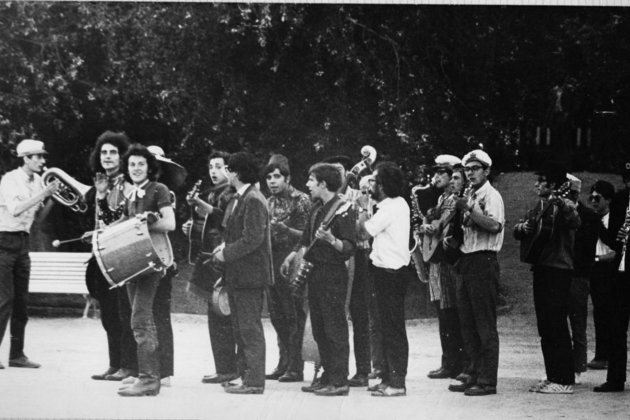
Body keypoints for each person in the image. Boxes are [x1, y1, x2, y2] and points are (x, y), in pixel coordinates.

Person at [281, 163, 356, 396]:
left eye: (312, 180)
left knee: (335, 327)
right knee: (320, 329)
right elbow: (305, 239)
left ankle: (339, 380)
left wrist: (332, 239)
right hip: (315, 272)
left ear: (323, 184)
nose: (307, 185)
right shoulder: (316, 208)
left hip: (332, 273)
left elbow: (349, 248)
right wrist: (292, 255)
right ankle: (327, 375)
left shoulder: (343, 208)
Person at [514, 161, 580, 395]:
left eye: (540, 181)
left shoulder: (565, 204)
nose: (536, 184)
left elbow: (575, 221)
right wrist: (523, 228)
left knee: (556, 324)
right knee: (545, 326)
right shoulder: (539, 205)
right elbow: (518, 228)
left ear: (553, 185)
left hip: (558, 269)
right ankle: (552, 375)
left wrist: (562, 203)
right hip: (542, 267)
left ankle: (564, 379)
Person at [116, 144, 176, 397]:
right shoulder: (132, 194)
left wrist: (144, 224)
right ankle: (144, 375)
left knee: (141, 319)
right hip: (134, 263)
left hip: (151, 263)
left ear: (149, 167)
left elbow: (170, 223)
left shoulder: (158, 189)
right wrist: (101, 232)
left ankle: (150, 379)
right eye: (132, 164)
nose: (136, 168)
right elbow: (126, 223)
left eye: (141, 164)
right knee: (137, 318)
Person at [213, 152, 273, 395]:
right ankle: (245, 376)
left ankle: (255, 382)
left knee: (249, 329)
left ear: (236, 173)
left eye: (228, 169)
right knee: (240, 328)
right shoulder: (242, 197)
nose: (226, 173)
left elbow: (253, 238)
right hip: (240, 275)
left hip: (250, 276)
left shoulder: (253, 199)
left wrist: (225, 254)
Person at [448, 149, 504, 397]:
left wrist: (470, 210)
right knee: (467, 322)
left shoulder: (491, 196)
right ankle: (473, 370)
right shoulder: (468, 194)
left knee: (484, 323)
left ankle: (487, 379)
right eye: (467, 169)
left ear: (486, 170)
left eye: (475, 168)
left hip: (483, 259)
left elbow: (494, 225)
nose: (470, 173)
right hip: (467, 259)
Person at [0, 139, 59, 369]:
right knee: (4, 300)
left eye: (42, 156)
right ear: (25, 158)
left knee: (21, 302)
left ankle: (16, 355)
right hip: (4, 241)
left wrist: (52, 199)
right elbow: (15, 210)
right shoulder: (10, 180)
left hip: (23, 242)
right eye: (38, 157)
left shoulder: (37, 182)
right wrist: (44, 192)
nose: (43, 161)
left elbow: (37, 219)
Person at [182, 151, 238, 385]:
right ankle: (223, 367)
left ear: (229, 169)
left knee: (222, 314)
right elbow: (205, 227)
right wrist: (191, 227)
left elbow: (224, 220)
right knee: (214, 315)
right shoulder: (213, 193)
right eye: (211, 167)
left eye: (219, 167)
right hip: (210, 259)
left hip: (223, 261)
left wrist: (202, 207)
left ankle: (228, 368)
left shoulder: (232, 194)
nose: (213, 172)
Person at [85, 131, 137, 382]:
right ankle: (114, 364)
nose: (107, 156)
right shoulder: (100, 181)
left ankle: (128, 365)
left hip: (120, 255)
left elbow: (121, 219)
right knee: (107, 313)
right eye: (104, 152)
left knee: (121, 312)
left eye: (113, 152)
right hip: (101, 254)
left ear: (122, 156)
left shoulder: (127, 184)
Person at [356, 162, 410, 397]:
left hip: (391, 273)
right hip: (383, 271)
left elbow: (362, 232)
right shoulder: (389, 205)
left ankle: (397, 382)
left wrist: (361, 209)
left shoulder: (391, 207)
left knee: (392, 328)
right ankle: (389, 378)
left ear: (385, 184)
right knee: (385, 327)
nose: (371, 185)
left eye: (375, 181)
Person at [322, 155, 375, 384]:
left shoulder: (359, 194)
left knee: (359, 313)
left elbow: (364, 230)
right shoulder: (325, 200)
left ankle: (363, 370)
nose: (337, 175)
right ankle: (330, 369)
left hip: (358, 256)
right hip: (333, 259)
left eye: (340, 170)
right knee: (332, 314)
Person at [420, 155, 469, 381]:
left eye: (441, 173)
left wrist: (431, 228)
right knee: (442, 312)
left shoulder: (454, 199)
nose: (436, 177)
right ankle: (447, 361)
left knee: (450, 313)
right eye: (436, 173)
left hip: (448, 262)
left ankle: (455, 362)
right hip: (437, 262)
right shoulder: (441, 198)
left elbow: (446, 229)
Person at [263, 154, 311, 383]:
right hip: (272, 260)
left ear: (287, 177)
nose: (272, 181)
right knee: (276, 315)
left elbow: (309, 236)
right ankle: (283, 362)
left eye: (277, 177)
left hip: (294, 259)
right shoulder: (268, 201)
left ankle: (296, 366)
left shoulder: (301, 199)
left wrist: (285, 229)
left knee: (294, 313)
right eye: (269, 177)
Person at [593, 161, 630, 393]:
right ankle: (616, 379)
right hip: (622, 273)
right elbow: (612, 234)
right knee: (617, 326)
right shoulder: (621, 202)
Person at [565, 175, 598, 385]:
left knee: (577, 323)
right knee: (559, 323)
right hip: (560, 273)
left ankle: (577, 367)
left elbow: (586, 249)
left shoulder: (589, 217)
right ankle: (563, 366)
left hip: (578, 275)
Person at [586, 180, 617, 372]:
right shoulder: (592, 220)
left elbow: (618, 249)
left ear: (608, 199)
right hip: (595, 268)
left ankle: (610, 354)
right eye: (592, 198)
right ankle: (601, 354)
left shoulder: (614, 220)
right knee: (598, 312)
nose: (594, 202)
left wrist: (600, 258)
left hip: (610, 269)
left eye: (598, 198)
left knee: (610, 313)